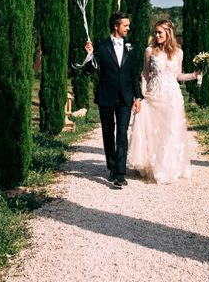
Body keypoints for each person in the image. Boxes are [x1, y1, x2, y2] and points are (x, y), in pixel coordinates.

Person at [127, 19, 199, 184]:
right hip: (154, 96)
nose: (157, 35)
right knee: (154, 132)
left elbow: (178, 76)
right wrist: (142, 93)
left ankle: (168, 168)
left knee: (170, 132)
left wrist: (194, 75)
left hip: (172, 98)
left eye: (160, 32)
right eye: (156, 32)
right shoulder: (149, 51)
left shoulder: (178, 53)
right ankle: (154, 167)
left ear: (169, 33)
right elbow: (145, 73)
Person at [83, 12, 143, 188]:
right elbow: (88, 71)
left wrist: (138, 96)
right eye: (126, 25)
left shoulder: (131, 47)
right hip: (106, 97)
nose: (128, 28)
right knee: (108, 133)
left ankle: (120, 173)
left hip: (125, 97)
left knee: (122, 134)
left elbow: (133, 75)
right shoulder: (101, 46)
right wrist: (89, 55)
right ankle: (112, 166)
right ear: (116, 26)